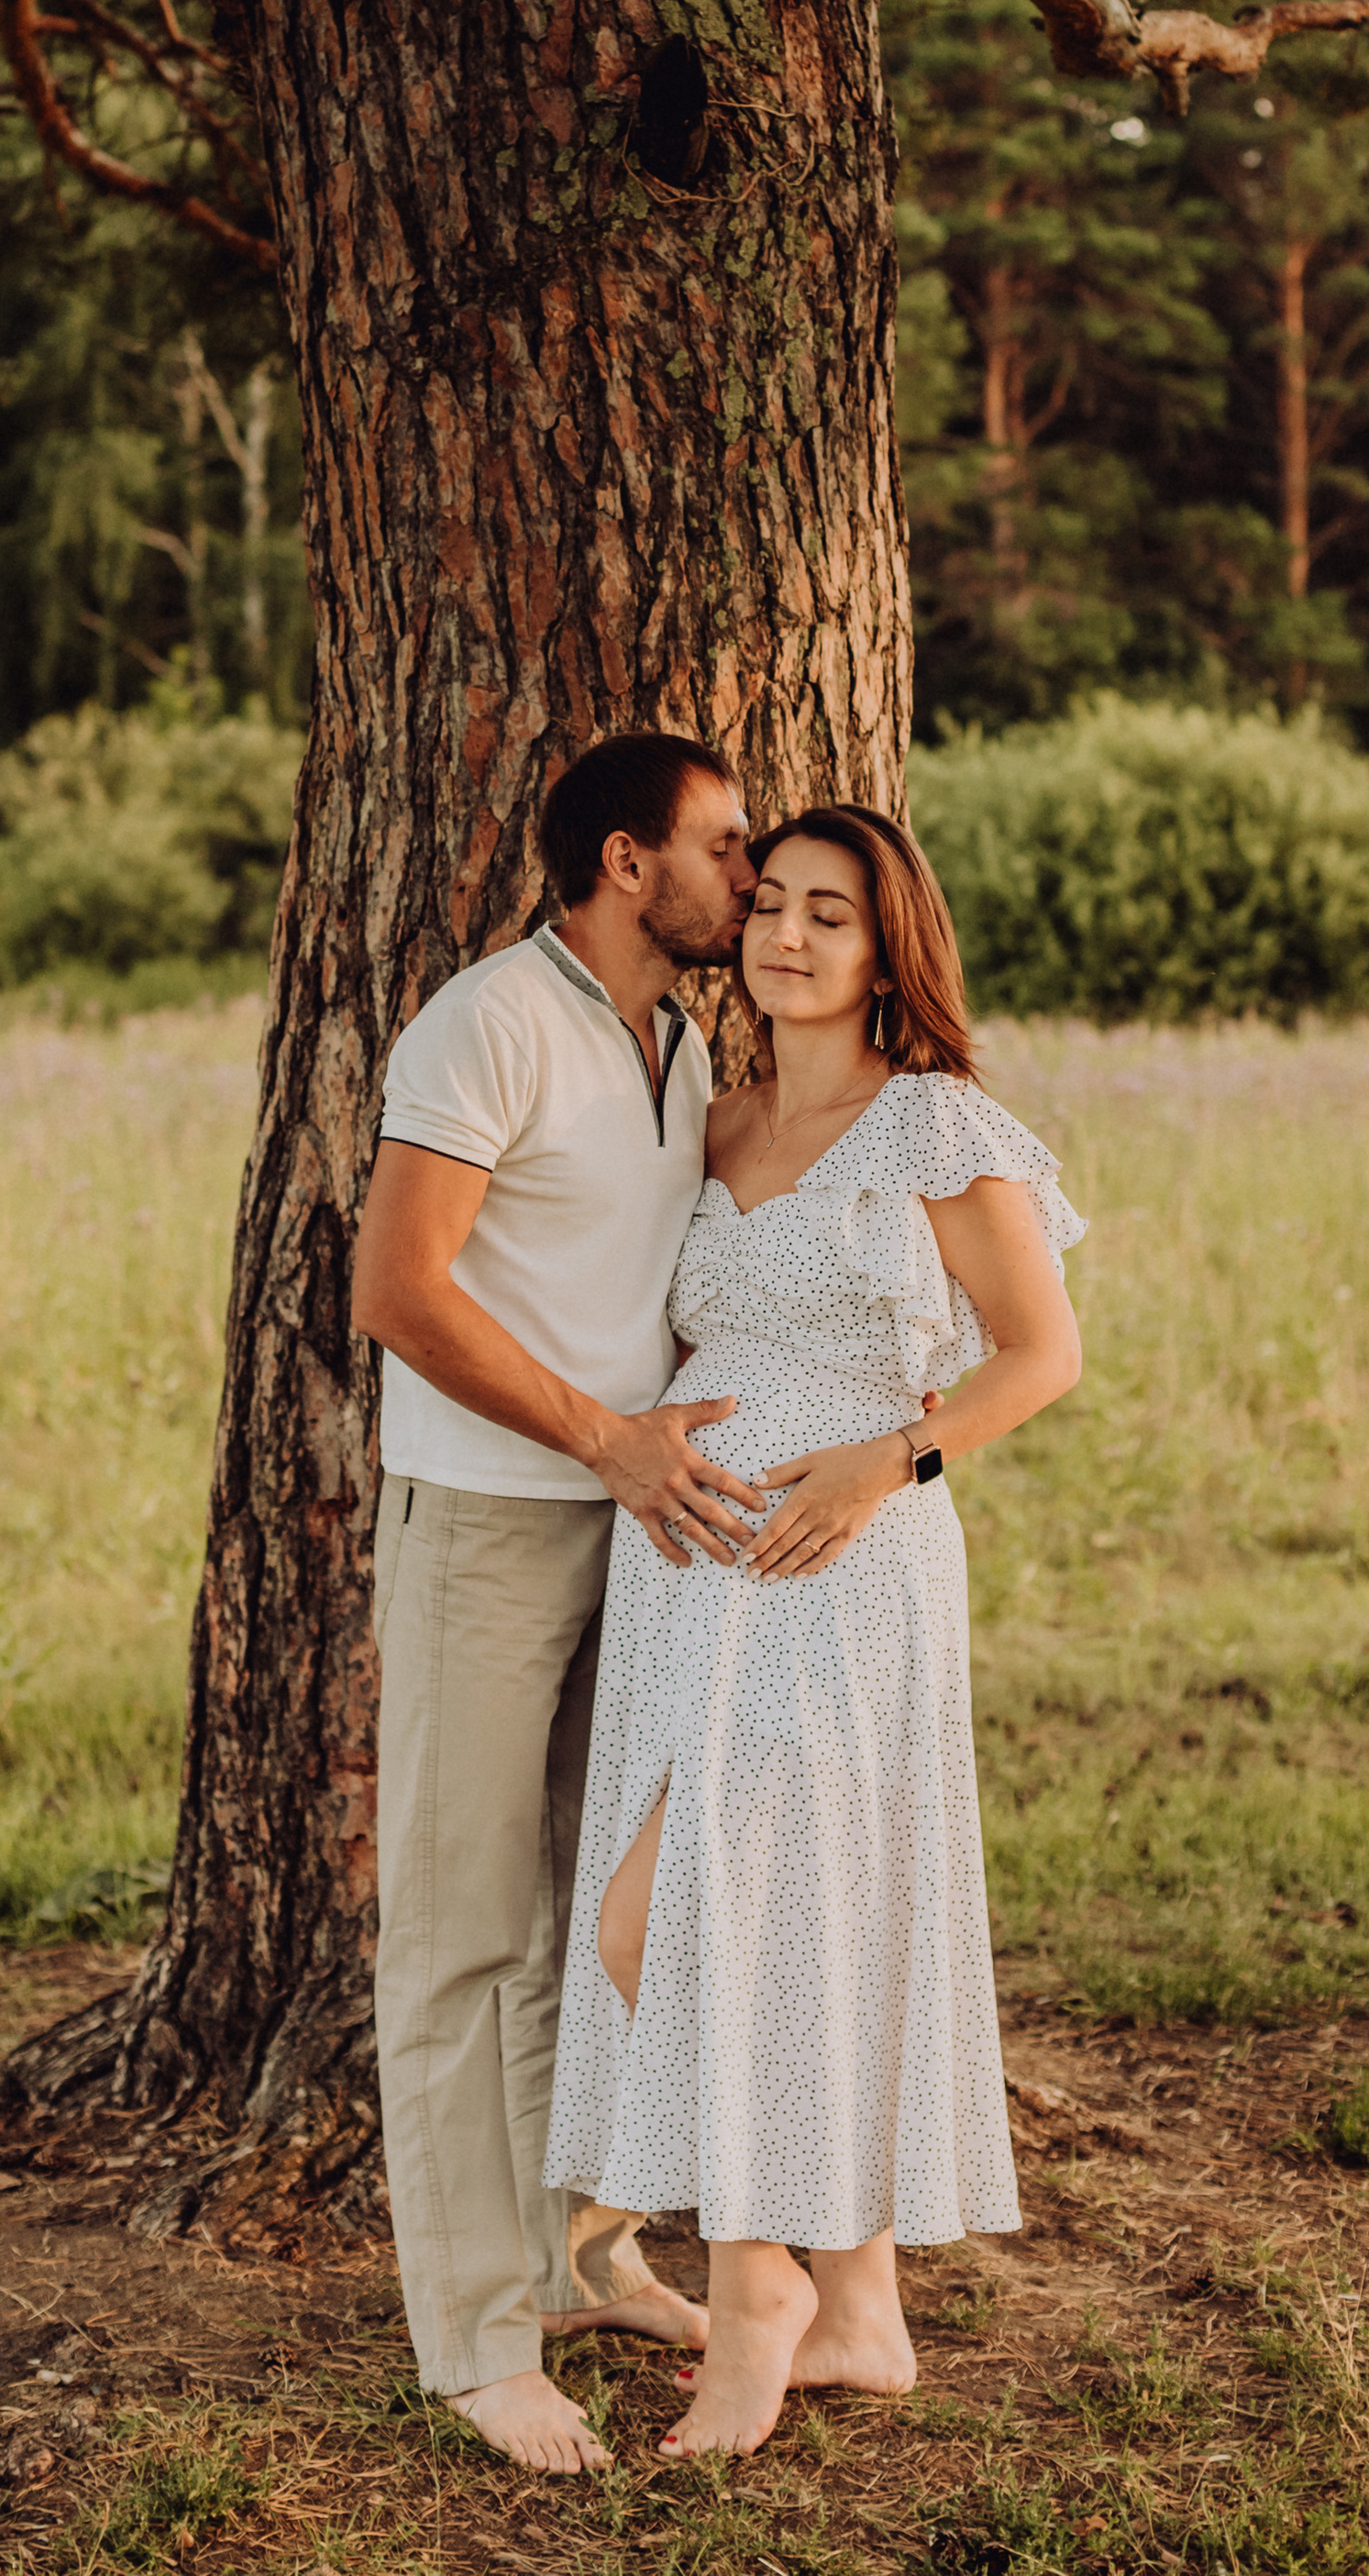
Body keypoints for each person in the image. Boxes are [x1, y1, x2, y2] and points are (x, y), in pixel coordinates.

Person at [544, 804, 1086, 2461]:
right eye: (768, 903)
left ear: (884, 948)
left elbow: (1040, 1354)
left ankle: (758, 2286)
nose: (784, 936)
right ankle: (860, 2312)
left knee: (695, 1911)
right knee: (754, 1913)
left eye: (827, 915)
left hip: (841, 1562)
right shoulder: (716, 1121)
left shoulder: (939, 1129)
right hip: (687, 1572)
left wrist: (885, 1458)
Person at [348, 732, 765, 2475]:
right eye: (728, 848)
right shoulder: (487, 1023)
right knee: (461, 1932)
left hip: (641, 1536)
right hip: (492, 1526)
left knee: (605, 1918)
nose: (749, 875)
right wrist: (605, 1438)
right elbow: (395, 1287)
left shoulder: (677, 1039)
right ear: (622, 861)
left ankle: (575, 2258)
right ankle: (471, 2337)